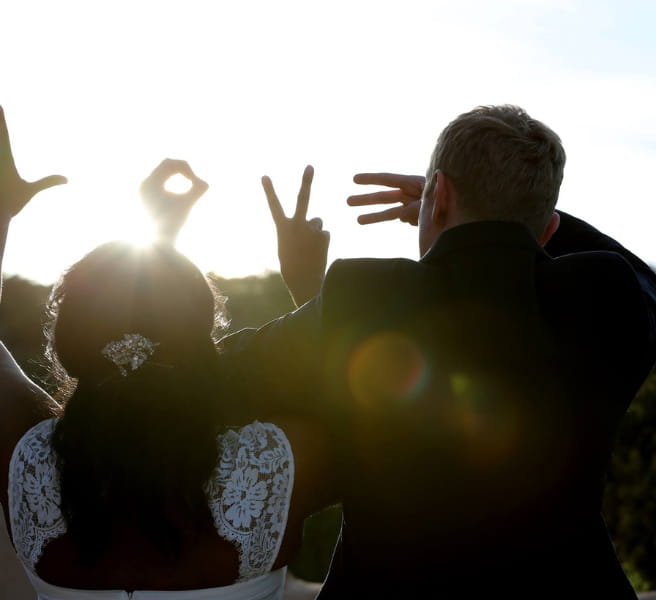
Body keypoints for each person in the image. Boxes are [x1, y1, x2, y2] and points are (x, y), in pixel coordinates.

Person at [221, 104, 656, 598]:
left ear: (441, 194)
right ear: (549, 229)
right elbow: (646, 287)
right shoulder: (604, 298)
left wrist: (310, 296)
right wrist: (523, 207)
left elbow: (226, 371)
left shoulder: (364, 293)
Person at [0, 105, 334, 599]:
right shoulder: (281, 464)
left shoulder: (25, 460)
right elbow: (352, 388)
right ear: (203, 341)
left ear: (68, 340)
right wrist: (311, 288)